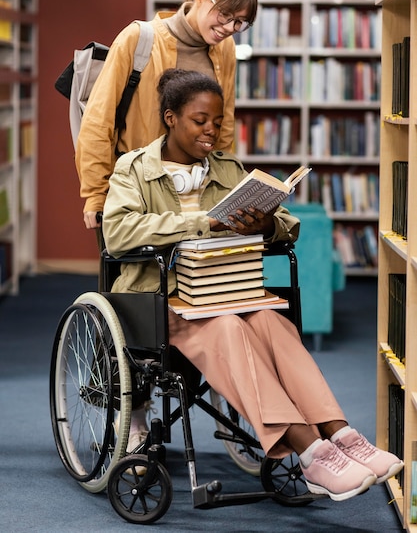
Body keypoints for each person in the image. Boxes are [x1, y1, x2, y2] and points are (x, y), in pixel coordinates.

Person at [102, 69, 403, 502]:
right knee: (229, 329)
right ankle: (312, 453)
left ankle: (342, 436)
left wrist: (268, 226)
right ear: (170, 118)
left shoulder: (227, 168)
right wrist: (203, 222)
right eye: (199, 120)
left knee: (271, 319)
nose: (211, 129)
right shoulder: (133, 169)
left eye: (217, 121)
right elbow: (119, 233)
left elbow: (287, 225)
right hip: (163, 297)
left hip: (229, 290)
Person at [75, 0, 258, 231]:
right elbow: (97, 120)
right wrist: (95, 193)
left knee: (201, 271)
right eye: (225, 14)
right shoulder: (138, 38)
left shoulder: (225, 50)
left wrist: (226, 186)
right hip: (141, 189)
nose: (229, 27)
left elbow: (224, 123)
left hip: (199, 190)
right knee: (141, 273)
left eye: (240, 22)